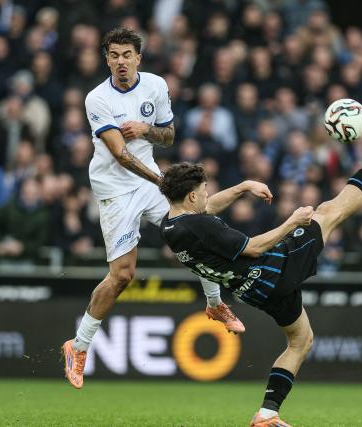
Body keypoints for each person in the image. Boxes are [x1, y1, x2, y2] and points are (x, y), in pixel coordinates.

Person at [158, 120, 362, 426]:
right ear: (191, 197)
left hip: (253, 291)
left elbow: (208, 208)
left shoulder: (170, 224)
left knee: (301, 340)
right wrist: (292, 222)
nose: (208, 195)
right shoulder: (200, 225)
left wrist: (244, 186)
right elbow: (254, 248)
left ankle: (267, 414)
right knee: (328, 213)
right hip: (272, 269)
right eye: (204, 190)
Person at [62, 27, 243, 390]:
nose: (121, 62)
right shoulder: (97, 98)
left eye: (127, 55)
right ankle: (77, 346)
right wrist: (161, 181)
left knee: (194, 226)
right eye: (113, 55)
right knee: (123, 276)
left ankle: (214, 303)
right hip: (115, 187)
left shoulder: (156, 86)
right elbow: (118, 153)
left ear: (138, 58)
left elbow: (169, 134)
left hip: (150, 179)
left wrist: (147, 129)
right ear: (106, 59)